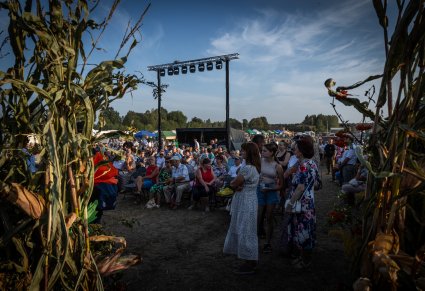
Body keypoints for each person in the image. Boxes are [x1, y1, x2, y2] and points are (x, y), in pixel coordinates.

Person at [223, 142, 261, 275]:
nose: (241, 152)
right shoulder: (255, 167)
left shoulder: (247, 168)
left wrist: (235, 185)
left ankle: (250, 261)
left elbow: (234, 183)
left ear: (249, 153)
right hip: (250, 199)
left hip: (245, 200)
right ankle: (250, 259)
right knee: (247, 228)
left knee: (245, 228)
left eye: (243, 151)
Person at [284, 138, 319, 269]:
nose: (294, 149)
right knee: (306, 230)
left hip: (301, 204)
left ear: (302, 150)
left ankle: (305, 261)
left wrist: (290, 203)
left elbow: (300, 187)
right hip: (309, 202)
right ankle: (303, 258)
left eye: (296, 148)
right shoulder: (312, 163)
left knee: (302, 231)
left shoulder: (303, 165)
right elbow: (317, 184)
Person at [257, 143, 284, 253]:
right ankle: (256, 241)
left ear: (272, 152)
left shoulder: (278, 166)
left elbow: (281, 185)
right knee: (258, 217)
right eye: (262, 150)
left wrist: (270, 189)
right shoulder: (260, 162)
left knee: (269, 218)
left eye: (264, 151)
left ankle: (268, 243)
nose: (262, 152)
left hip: (271, 191)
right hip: (260, 190)